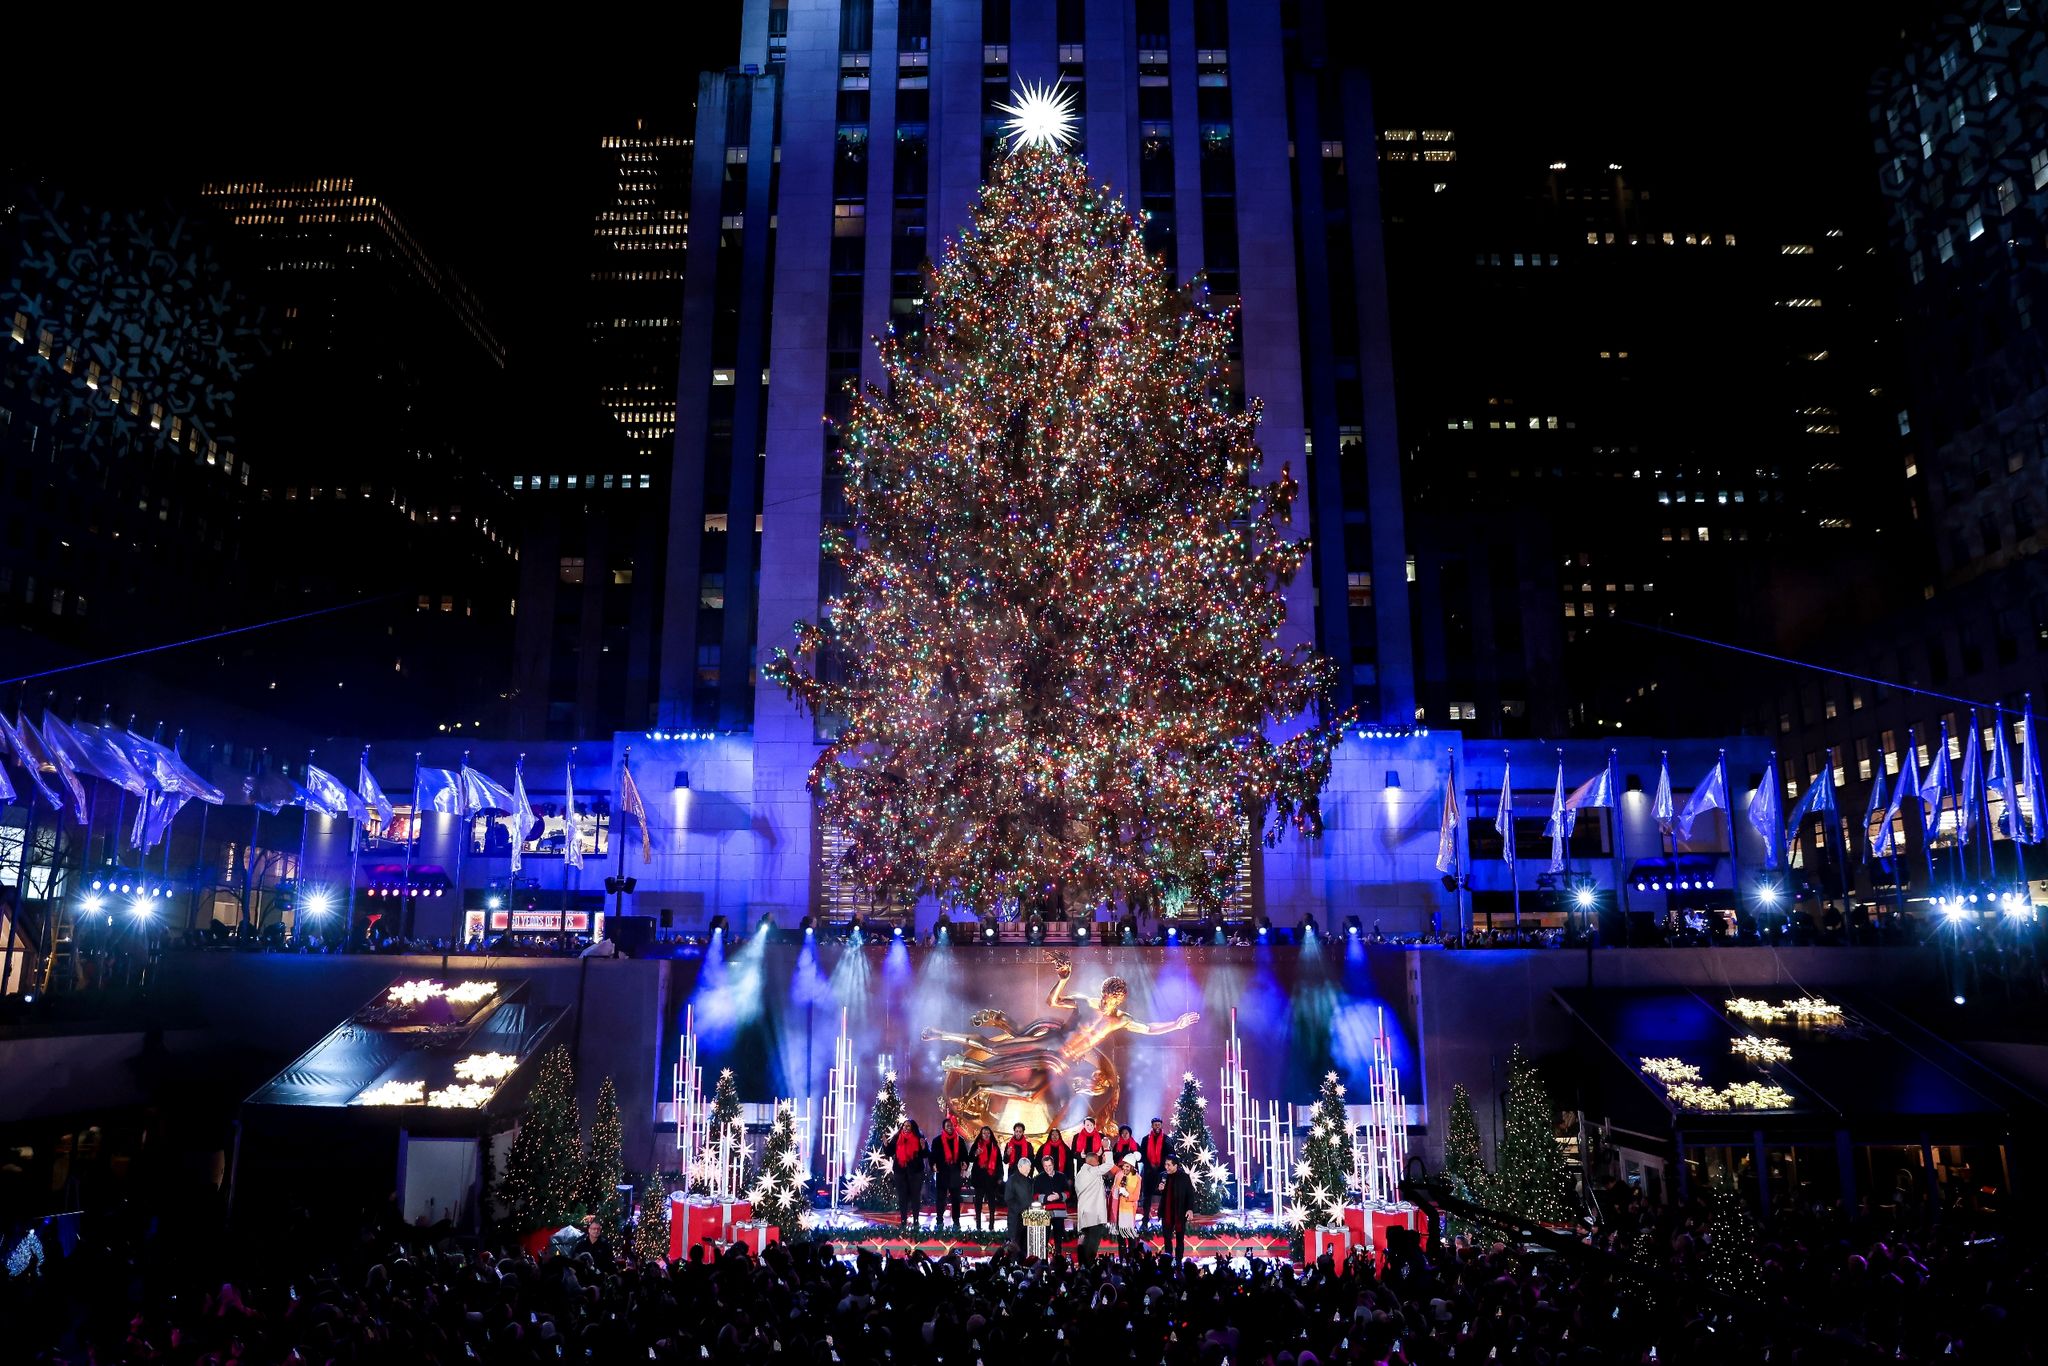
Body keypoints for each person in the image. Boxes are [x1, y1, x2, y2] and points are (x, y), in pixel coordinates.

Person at [1037, 1125, 1074, 1254]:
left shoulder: (1061, 1176)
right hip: (1045, 1210)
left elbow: (1068, 1193)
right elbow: (1035, 1195)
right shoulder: (1039, 1178)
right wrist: (1046, 1198)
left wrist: (1059, 1196)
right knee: (1045, 1235)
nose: (1047, 1168)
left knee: (1058, 1236)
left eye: (1050, 1165)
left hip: (1058, 1210)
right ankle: (1044, 1259)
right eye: (1045, 1166)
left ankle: (1058, 1255)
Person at [930, 1115, 967, 1232]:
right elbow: (932, 1156)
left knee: (956, 1199)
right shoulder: (937, 1140)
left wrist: (965, 1163)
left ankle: (956, 1222)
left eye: (951, 1125)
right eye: (947, 1126)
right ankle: (939, 1221)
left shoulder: (960, 1140)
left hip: (955, 1173)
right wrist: (933, 1165)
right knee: (940, 1199)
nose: (950, 1127)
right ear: (944, 1127)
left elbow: (964, 1156)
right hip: (942, 1173)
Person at [1158, 1152, 1196, 1266]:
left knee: (1180, 1238)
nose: (1166, 1167)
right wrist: (1159, 1189)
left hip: (1180, 1212)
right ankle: (1168, 1260)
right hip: (1167, 1212)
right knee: (1167, 1237)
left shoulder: (1184, 1177)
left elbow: (1190, 1194)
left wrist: (1190, 1209)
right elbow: (1158, 1192)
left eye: (1169, 1165)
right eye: (1165, 1164)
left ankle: (1179, 1260)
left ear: (1175, 1166)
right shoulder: (1163, 1176)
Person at [891, 1115, 926, 1234]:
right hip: (900, 1172)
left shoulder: (919, 1137)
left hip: (915, 1173)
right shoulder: (896, 1137)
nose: (905, 1128)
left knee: (916, 1197)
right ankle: (903, 1221)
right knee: (902, 1198)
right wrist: (885, 1145)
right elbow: (889, 1151)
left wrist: (923, 1147)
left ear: (913, 1128)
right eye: (904, 1126)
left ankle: (916, 1221)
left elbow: (926, 1154)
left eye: (908, 1126)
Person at [1073, 1149, 1110, 1261]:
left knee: (1086, 1242)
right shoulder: (1092, 1171)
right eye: (1097, 1161)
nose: (1099, 1163)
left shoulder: (1081, 1173)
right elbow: (1109, 1164)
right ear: (1092, 1161)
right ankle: (1088, 1266)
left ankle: (1083, 1265)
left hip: (1085, 1214)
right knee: (1092, 1244)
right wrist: (1107, 1149)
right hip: (1094, 1215)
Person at [969, 1125, 1003, 1231]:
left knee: (992, 1203)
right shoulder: (976, 1145)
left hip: (991, 1179)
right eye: (984, 1133)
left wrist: (1000, 1176)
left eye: (988, 1133)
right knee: (978, 1202)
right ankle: (978, 1226)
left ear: (991, 1134)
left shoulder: (995, 1146)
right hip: (979, 1179)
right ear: (981, 1134)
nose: (986, 1135)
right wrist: (976, 1153)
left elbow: (999, 1164)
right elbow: (970, 1158)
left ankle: (991, 1226)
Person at [1004, 1153, 1039, 1254]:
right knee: (1015, 1245)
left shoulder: (1030, 1181)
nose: (1028, 1170)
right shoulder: (1012, 1180)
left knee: (1025, 1245)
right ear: (1019, 1167)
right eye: (1026, 1168)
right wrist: (1021, 1209)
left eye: (1029, 1168)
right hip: (1016, 1218)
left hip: (1028, 1218)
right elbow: (1008, 1199)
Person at [1139, 1116, 1170, 1230]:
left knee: (1165, 1197)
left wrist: (1162, 1166)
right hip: (1148, 1172)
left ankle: (1164, 1221)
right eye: (1155, 1124)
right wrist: (1150, 1164)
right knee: (1147, 1198)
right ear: (1152, 1126)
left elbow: (1170, 1155)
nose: (1157, 1126)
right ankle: (1145, 1220)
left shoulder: (1167, 1139)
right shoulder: (1145, 1139)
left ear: (1161, 1125)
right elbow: (1141, 1155)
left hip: (1162, 1173)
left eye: (1159, 1124)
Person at [1111, 1150, 1144, 1258]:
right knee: (1121, 1239)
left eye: (1127, 1167)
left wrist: (1127, 1194)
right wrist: (1117, 1190)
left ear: (1132, 1167)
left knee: (1130, 1239)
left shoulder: (1137, 1179)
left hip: (1129, 1212)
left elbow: (1136, 1196)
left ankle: (1132, 1259)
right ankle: (1122, 1260)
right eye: (1124, 1166)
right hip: (1119, 1211)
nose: (1125, 1168)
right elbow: (1114, 1191)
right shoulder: (1119, 1175)